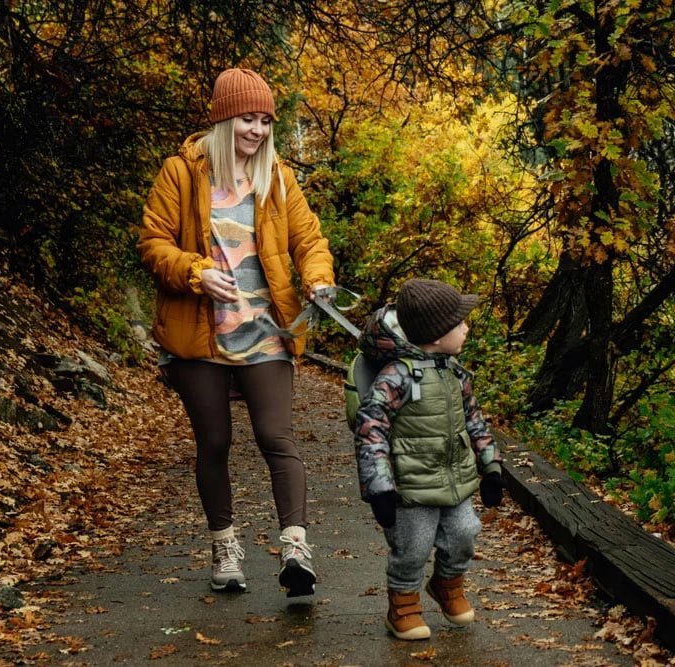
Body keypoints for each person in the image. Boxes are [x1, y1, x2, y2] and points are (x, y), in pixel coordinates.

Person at [137, 67, 335, 598]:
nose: (259, 130)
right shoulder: (181, 173)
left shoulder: (278, 176)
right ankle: (225, 545)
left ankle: (296, 549)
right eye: (249, 118)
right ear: (225, 119)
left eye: (266, 120)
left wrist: (317, 281)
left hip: (267, 333)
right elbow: (153, 243)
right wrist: (195, 271)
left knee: (277, 436)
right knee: (215, 442)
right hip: (199, 338)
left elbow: (309, 239)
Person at [352, 278, 505, 639]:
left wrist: (492, 467)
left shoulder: (455, 373)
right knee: (412, 547)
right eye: (460, 323)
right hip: (411, 487)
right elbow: (371, 428)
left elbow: (475, 420)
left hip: (456, 480)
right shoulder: (397, 376)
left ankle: (447, 585)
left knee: (465, 533)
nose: (467, 327)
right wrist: (379, 487)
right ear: (437, 335)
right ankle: (402, 606)